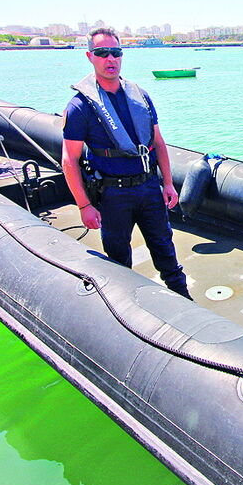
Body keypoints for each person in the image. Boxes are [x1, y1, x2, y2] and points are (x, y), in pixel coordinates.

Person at [61, 27, 191, 299]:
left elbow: (158, 142)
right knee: (119, 255)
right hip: (113, 195)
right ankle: (126, 308)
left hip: (148, 188)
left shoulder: (140, 96)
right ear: (90, 56)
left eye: (116, 52)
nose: (110, 59)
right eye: (102, 53)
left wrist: (167, 183)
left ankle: (183, 297)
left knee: (165, 247)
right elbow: (69, 160)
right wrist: (84, 205)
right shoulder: (80, 107)